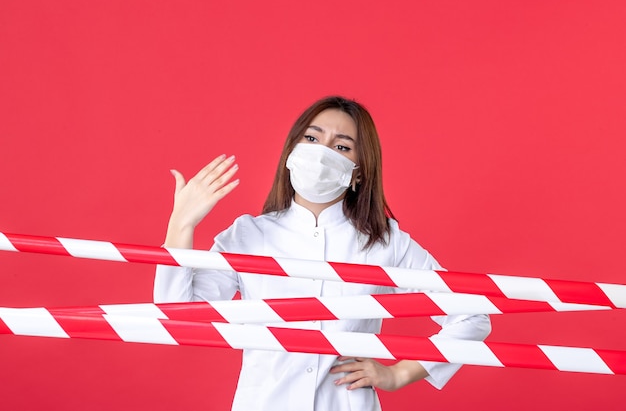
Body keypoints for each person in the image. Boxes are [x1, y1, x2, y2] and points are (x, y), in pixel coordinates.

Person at [154, 96, 491, 411]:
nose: (321, 152)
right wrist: (181, 225)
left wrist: (399, 374)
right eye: (312, 139)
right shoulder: (248, 235)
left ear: (358, 172)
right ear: (292, 151)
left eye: (341, 146)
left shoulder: (386, 242)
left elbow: (472, 316)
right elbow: (178, 317)